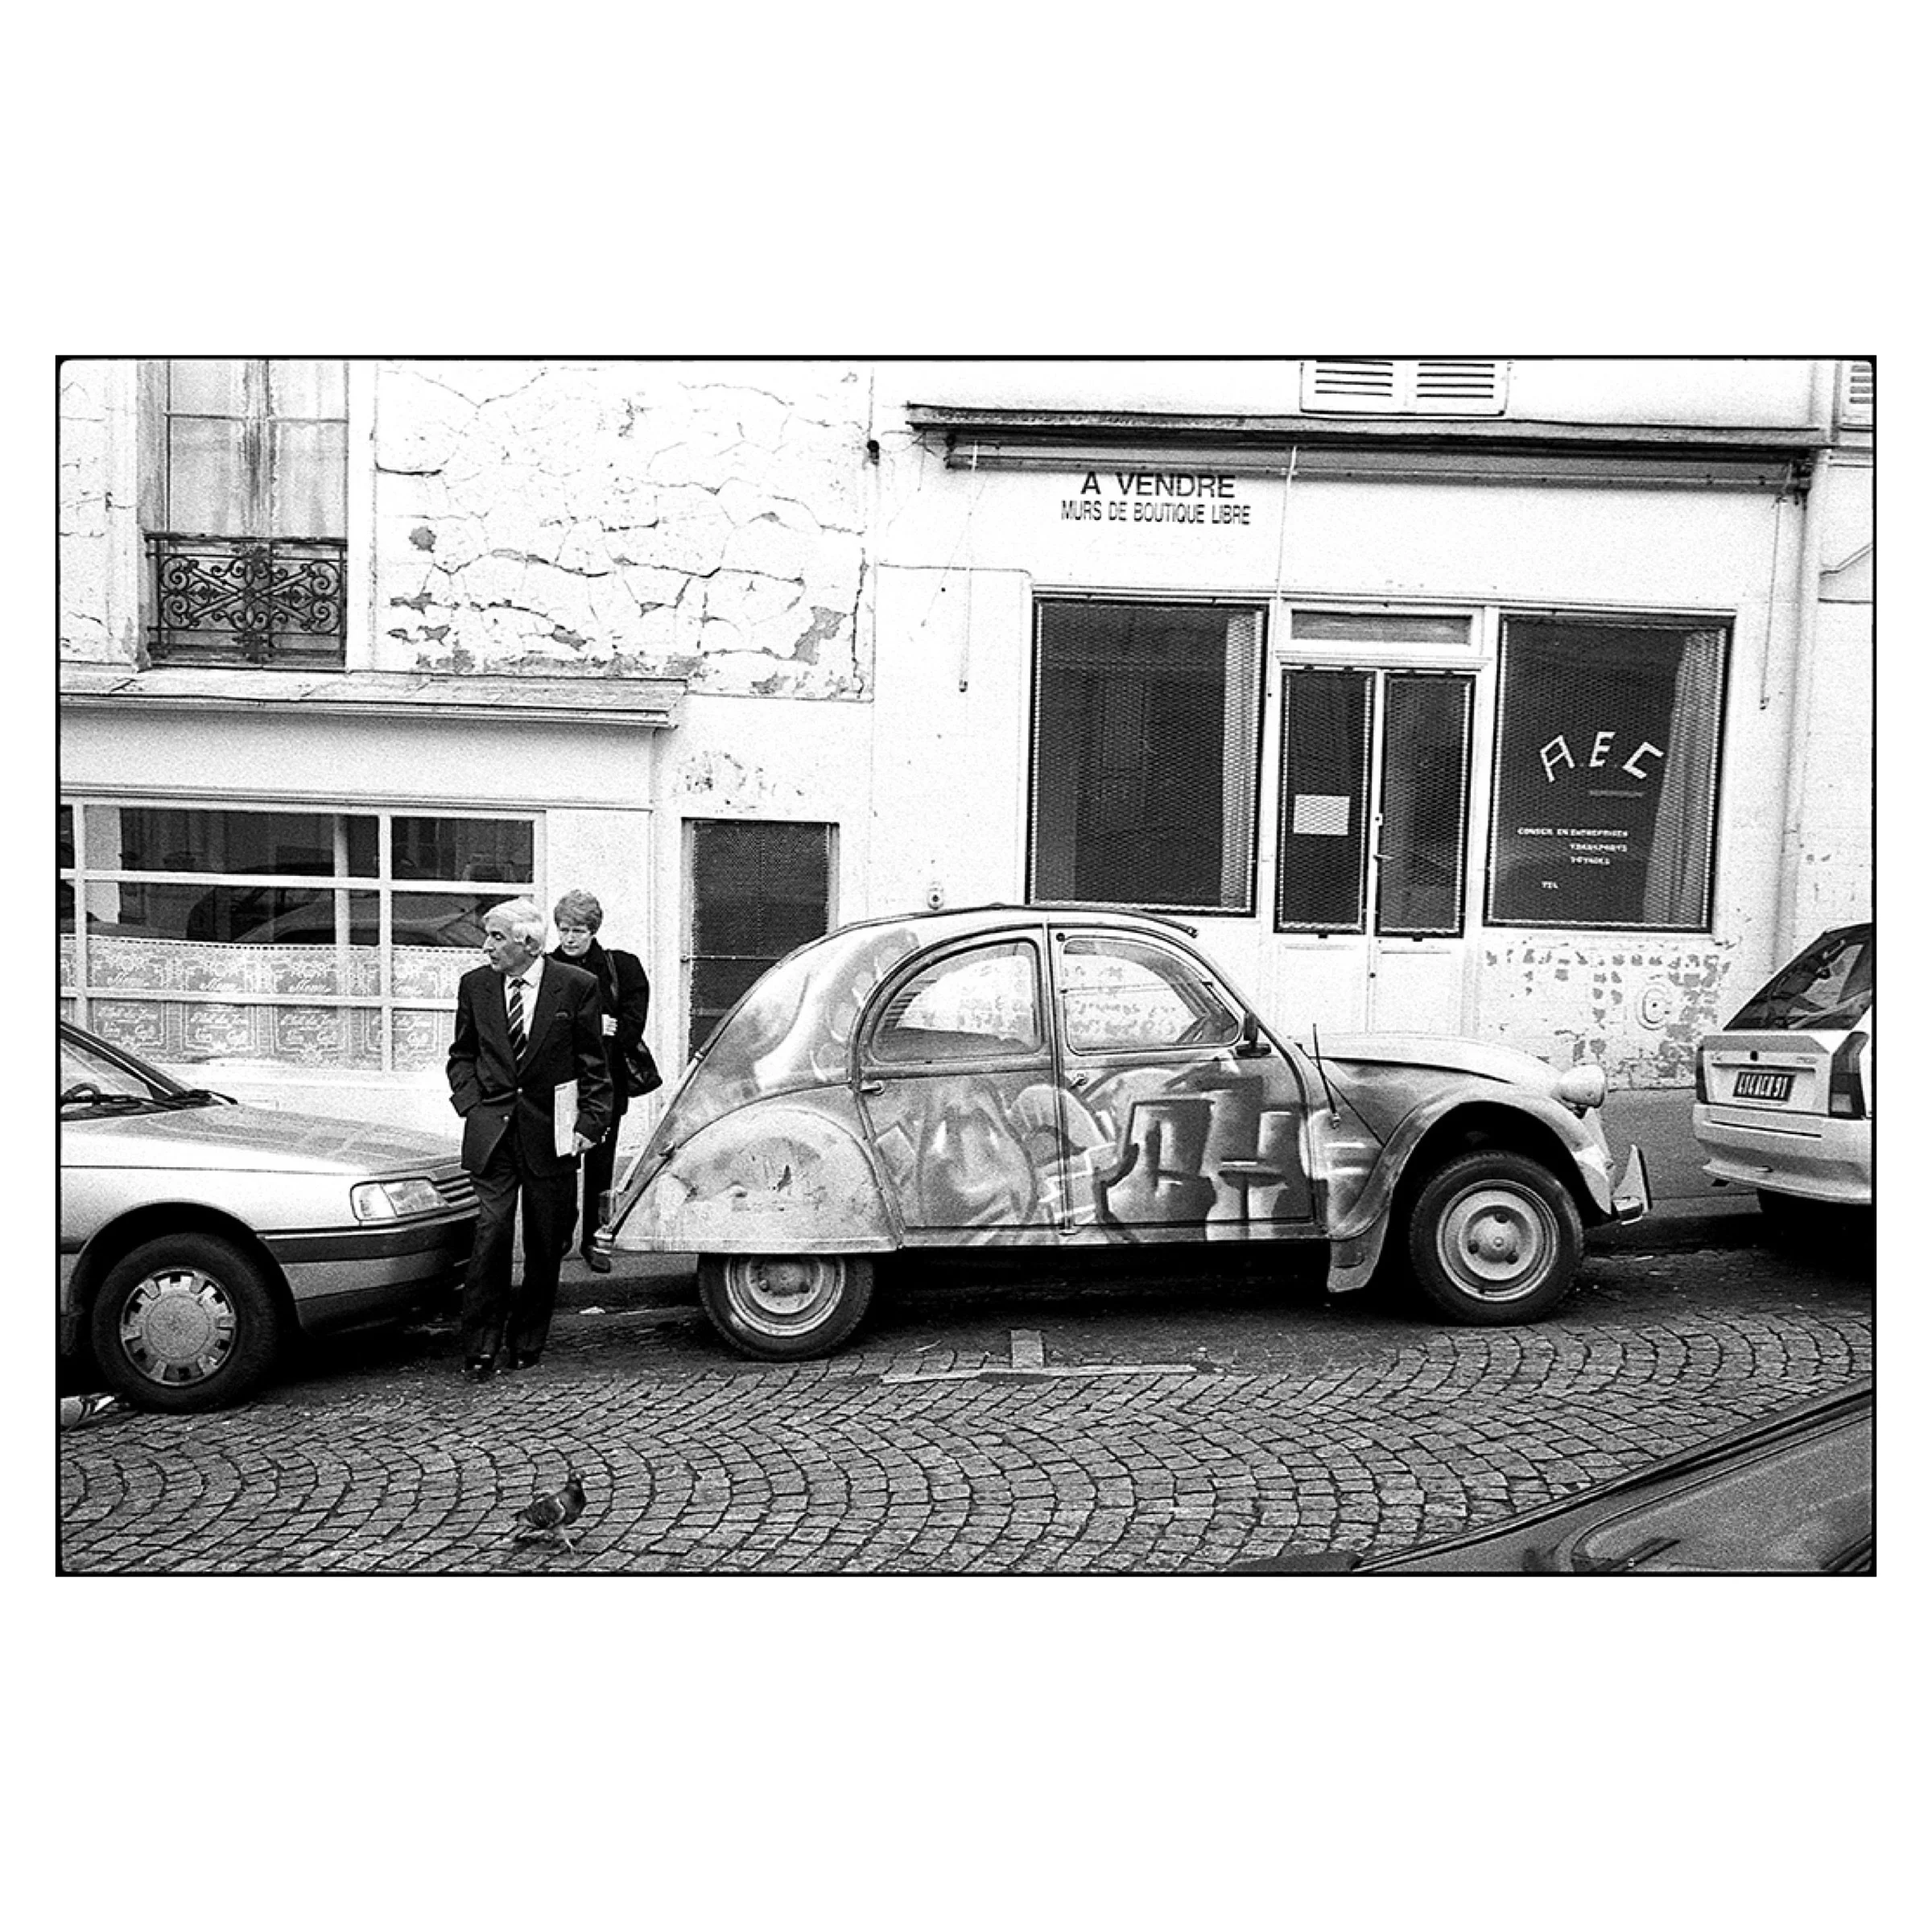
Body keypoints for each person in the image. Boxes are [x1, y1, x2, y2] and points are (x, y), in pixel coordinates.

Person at [446, 898, 612, 1380]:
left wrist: (589, 1125)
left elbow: (592, 1065)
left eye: (496, 937)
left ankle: (528, 1340)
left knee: (545, 1243)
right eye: (488, 936)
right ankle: (480, 1346)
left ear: (529, 944)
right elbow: (462, 1055)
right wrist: (471, 1104)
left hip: (552, 1134)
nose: (486, 947)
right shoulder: (475, 986)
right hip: (492, 1133)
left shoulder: (576, 986)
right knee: (491, 1235)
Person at [549, 888, 653, 1273]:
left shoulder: (621, 968)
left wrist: (611, 1030)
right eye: (563, 930)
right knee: (560, 1163)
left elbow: (632, 1026)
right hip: (560, 1084)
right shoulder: (546, 968)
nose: (569, 939)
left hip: (606, 1083)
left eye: (577, 930)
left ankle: (596, 1239)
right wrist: (592, 1025)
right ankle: (561, 1230)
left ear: (593, 930)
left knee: (600, 1164)